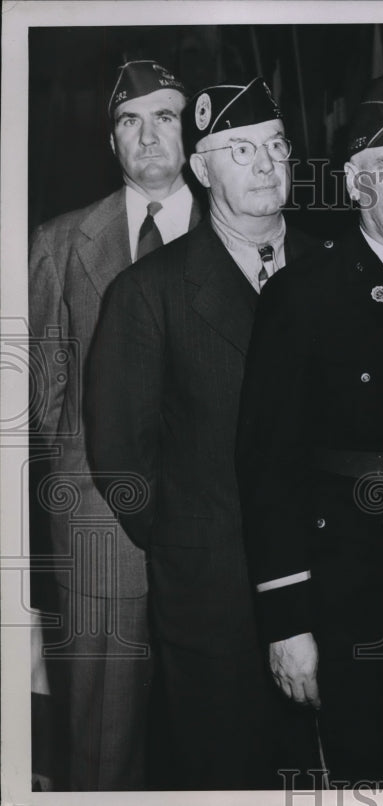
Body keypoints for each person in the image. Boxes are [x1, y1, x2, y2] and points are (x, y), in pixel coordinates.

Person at [85, 76, 316, 789]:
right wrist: (189, 536)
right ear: (203, 168)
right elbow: (121, 454)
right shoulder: (150, 293)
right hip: (213, 602)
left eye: (275, 145)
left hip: (337, 586)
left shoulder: (339, 270)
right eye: (238, 149)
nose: (264, 164)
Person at [235, 75, 383, 784]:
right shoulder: (305, 294)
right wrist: (288, 621)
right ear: (355, 185)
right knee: (372, 774)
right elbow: (267, 464)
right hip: (351, 590)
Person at [28, 59, 196, 790]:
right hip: (99, 519)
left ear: (193, 129)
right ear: (112, 141)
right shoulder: (62, 242)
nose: (148, 134)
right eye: (130, 120)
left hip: (219, 519)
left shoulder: (245, 229)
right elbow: (39, 390)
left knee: (220, 724)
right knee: (102, 733)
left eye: (164, 115)